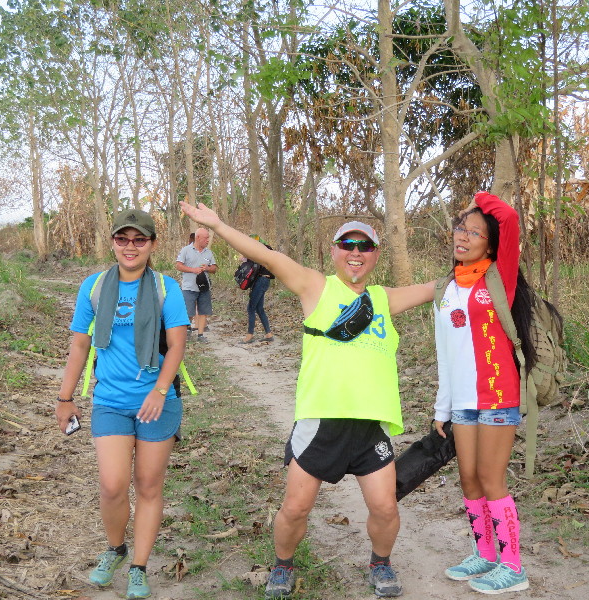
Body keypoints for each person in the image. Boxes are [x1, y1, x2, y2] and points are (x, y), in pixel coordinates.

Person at [180, 200, 435, 599]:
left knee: (385, 507)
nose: (355, 252)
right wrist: (218, 225)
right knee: (296, 507)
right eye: (347, 244)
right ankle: (283, 565)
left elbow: (441, 287)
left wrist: (486, 253)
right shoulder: (317, 287)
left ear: (375, 255)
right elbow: (267, 256)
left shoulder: (384, 298)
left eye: (365, 246)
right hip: (321, 420)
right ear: (334, 251)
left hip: (371, 425)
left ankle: (380, 563)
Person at [54, 209, 190, 600]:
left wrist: (159, 391)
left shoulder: (166, 288)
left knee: (148, 485)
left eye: (139, 240)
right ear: (113, 242)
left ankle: (139, 567)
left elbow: (177, 345)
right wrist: (65, 398)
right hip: (110, 401)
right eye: (122, 239)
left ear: (152, 245)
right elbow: (80, 344)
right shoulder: (94, 286)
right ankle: (115, 549)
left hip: (157, 402)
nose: (130, 247)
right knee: (113, 485)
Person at [433, 191, 549, 594]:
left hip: (498, 396)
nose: (462, 236)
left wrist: (478, 199)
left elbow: (509, 218)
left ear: (490, 244)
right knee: (469, 479)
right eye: (460, 228)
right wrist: (442, 407)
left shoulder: (501, 278)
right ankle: (484, 554)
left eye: (474, 231)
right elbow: (445, 352)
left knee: (490, 477)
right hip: (463, 402)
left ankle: (513, 566)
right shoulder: (447, 289)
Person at [175, 227, 217, 343]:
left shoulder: (208, 252)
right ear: (198, 238)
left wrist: (208, 268)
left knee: (203, 311)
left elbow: (214, 268)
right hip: (189, 287)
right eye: (205, 238)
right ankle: (187, 331)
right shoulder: (186, 250)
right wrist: (193, 270)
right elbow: (178, 265)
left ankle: (200, 335)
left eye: (208, 238)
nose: (208, 240)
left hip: (204, 287)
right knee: (188, 311)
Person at [239, 234, 275, 344]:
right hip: (263, 280)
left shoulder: (262, 250)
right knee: (259, 308)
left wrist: (245, 257)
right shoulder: (267, 249)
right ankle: (268, 334)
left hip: (261, 280)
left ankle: (249, 336)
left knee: (251, 308)